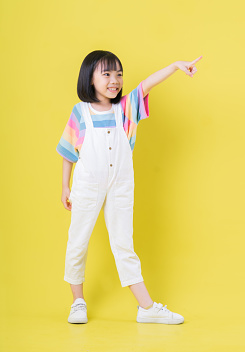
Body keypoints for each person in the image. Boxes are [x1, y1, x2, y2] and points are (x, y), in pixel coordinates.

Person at [56, 50, 202, 324]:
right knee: (78, 241)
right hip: (87, 185)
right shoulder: (80, 112)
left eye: (119, 74)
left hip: (121, 186)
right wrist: (65, 186)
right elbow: (68, 153)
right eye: (107, 74)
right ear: (90, 79)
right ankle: (77, 302)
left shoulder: (125, 109)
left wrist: (174, 66)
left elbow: (146, 84)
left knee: (124, 244)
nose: (115, 80)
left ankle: (146, 308)